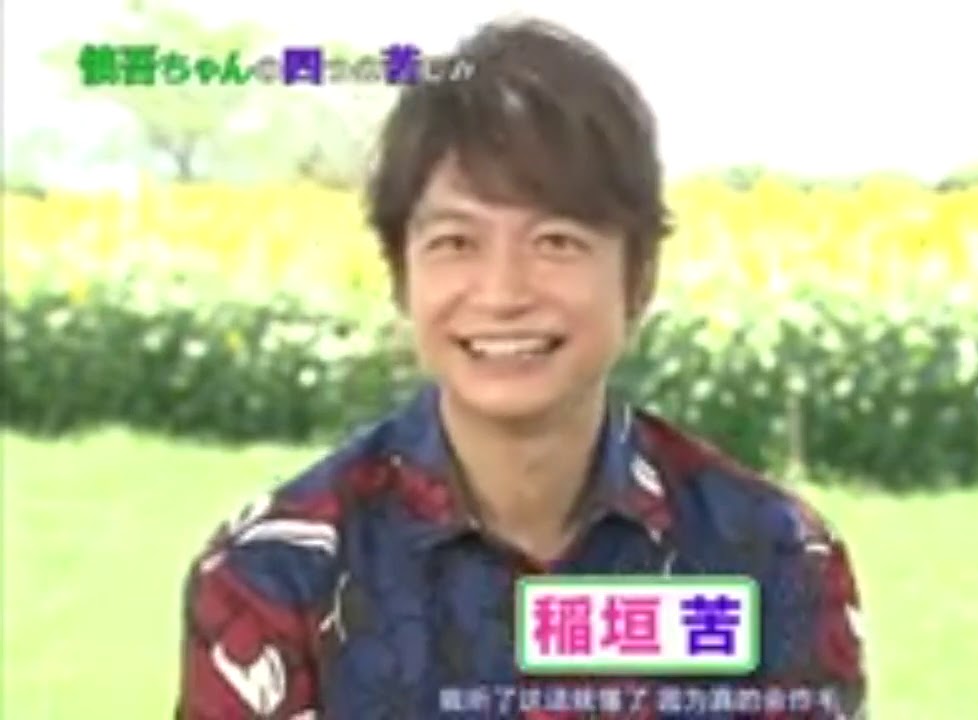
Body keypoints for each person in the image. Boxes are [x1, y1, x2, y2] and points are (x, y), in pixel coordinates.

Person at [176, 15, 867, 719]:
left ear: (639, 276)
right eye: (456, 242)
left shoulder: (775, 556)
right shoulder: (274, 575)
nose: (503, 293)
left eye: (556, 241)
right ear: (401, 276)